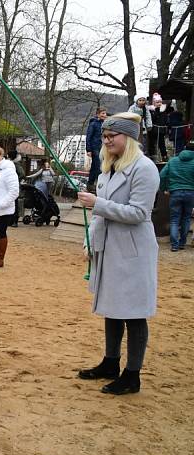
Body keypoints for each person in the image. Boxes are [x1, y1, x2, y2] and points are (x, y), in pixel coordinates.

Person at [76, 112, 159, 395]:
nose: (108, 140)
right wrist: (90, 240)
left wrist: (97, 203)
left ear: (130, 138)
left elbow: (138, 212)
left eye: (113, 136)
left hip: (133, 251)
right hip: (109, 249)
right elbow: (100, 216)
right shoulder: (108, 168)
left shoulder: (144, 168)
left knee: (134, 314)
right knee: (111, 308)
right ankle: (110, 362)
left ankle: (132, 375)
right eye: (105, 137)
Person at [159, 140, 194, 251]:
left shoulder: (173, 161)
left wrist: (164, 188)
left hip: (175, 192)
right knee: (186, 218)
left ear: (184, 148)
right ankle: (182, 243)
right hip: (190, 193)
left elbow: (162, 175)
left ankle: (174, 245)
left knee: (174, 219)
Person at [86, 107, 107, 193]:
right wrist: (88, 149)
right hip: (95, 147)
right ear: (98, 114)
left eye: (105, 113)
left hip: (102, 147)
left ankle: (92, 184)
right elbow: (89, 136)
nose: (104, 115)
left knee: (98, 166)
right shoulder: (93, 124)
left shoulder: (105, 124)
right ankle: (93, 184)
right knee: (97, 165)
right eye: (102, 113)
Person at [148, 93, 168, 162]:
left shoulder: (163, 109)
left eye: (160, 102)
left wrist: (166, 126)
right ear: (154, 102)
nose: (159, 103)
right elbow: (152, 119)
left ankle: (164, 156)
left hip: (161, 129)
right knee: (152, 144)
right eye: (157, 102)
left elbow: (165, 119)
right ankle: (152, 156)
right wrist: (156, 111)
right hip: (153, 130)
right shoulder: (150, 110)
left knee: (162, 144)